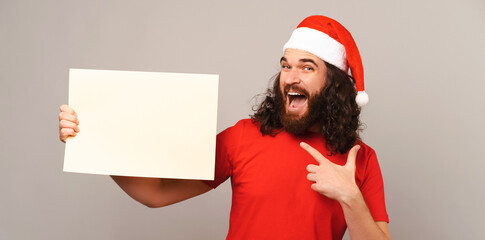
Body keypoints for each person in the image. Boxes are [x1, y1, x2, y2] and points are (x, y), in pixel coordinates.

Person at [59, 15, 391, 240]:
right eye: (286, 65)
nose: (291, 76)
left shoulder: (359, 160)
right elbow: (155, 193)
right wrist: (93, 140)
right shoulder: (244, 137)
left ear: (333, 83)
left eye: (307, 67)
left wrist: (350, 196)